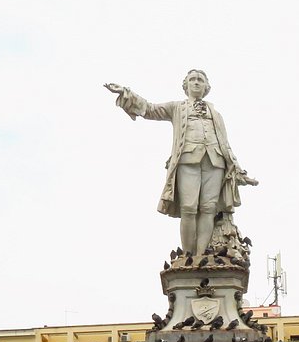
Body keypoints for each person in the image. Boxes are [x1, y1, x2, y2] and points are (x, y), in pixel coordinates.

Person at [105, 70, 257, 256]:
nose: (196, 83)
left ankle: (200, 256)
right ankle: (188, 256)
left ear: (206, 87)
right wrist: (126, 93)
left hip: (215, 162)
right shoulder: (177, 107)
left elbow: (225, 145)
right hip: (187, 159)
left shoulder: (215, 114)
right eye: (192, 80)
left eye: (200, 80)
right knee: (188, 208)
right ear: (185, 86)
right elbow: (150, 109)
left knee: (208, 209)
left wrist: (239, 171)